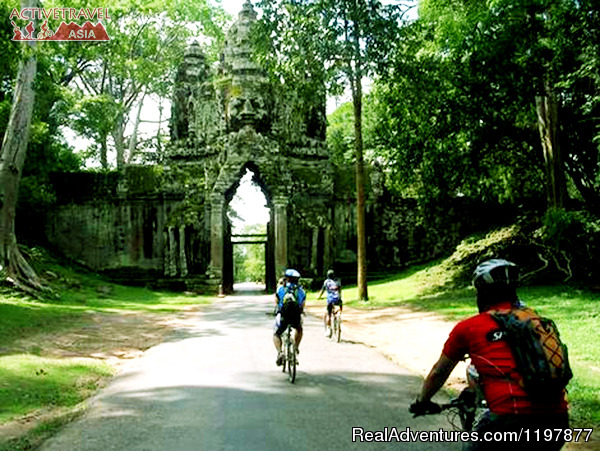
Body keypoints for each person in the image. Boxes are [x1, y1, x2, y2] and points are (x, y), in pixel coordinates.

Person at [409, 259, 569, 451]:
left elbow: (439, 372)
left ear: (481, 292)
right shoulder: (533, 320)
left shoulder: (470, 327)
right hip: (556, 421)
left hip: (508, 420)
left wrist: (422, 402)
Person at [273, 269, 306, 366]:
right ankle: (295, 347)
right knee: (299, 330)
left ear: (286, 278)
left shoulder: (280, 289)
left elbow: (276, 301)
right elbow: (302, 305)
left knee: (276, 334)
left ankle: (280, 353)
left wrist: (277, 308)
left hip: (283, 316)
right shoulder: (301, 291)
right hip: (295, 317)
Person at [317, 269, 342, 336]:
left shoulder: (326, 282)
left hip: (330, 300)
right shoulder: (338, 281)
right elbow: (340, 290)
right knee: (338, 309)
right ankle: (338, 316)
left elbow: (322, 290)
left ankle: (328, 329)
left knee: (329, 314)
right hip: (338, 299)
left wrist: (319, 296)